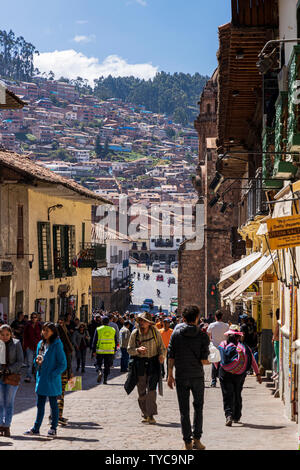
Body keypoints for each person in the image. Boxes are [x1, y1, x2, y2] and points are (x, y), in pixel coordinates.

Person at [167, 305, 210, 451]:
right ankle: (197, 439)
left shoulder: (176, 335)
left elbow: (170, 355)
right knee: (198, 408)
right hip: (197, 376)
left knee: (184, 411)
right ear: (197, 318)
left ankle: (187, 442)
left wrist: (169, 374)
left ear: (183, 319)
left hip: (181, 376)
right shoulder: (203, 336)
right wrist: (211, 360)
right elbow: (204, 361)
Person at [24, 322, 67, 437]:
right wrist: (36, 362)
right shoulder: (40, 344)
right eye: (43, 330)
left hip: (52, 380)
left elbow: (63, 364)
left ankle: (53, 428)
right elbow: (36, 361)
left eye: (47, 330)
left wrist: (53, 374)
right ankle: (36, 428)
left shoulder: (57, 344)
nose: (45, 332)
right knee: (40, 405)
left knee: (53, 405)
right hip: (42, 379)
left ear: (53, 332)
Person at [125, 312, 166, 425]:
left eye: (144, 321)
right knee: (141, 391)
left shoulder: (155, 332)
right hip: (140, 364)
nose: (142, 323)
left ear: (149, 323)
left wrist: (162, 355)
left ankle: (151, 414)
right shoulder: (135, 333)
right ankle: (145, 414)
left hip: (153, 363)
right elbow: (129, 349)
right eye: (140, 321)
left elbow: (162, 348)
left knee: (152, 390)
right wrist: (138, 350)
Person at [218, 325, 262, 427]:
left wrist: (217, 369)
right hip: (239, 374)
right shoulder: (244, 348)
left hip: (225, 372)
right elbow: (252, 361)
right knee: (237, 393)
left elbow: (217, 359)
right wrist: (258, 374)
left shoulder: (223, 344)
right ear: (239, 336)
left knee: (227, 394)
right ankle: (237, 416)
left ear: (228, 335)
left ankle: (228, 415)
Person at [0, 324, 24, 437]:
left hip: (12, 376)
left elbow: (20, 361)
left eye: (7, 334)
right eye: (2, 334)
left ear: (11, 334)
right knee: (0, 402)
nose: (4, 337)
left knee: (8, 402)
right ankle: (0, 424)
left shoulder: (16, 343)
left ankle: (7, 425)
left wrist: (9, 369)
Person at [55, 316, 74, 426]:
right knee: (60, 394)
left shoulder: (52, 343)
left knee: (55, 394)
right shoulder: (64, 345)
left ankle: (55, 415)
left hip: (55, 372)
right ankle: (59, 416)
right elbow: (68, 358)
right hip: (62, 371)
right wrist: (70, 371)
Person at [207, 311, 229, 387]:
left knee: (214, 363)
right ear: (222, 317)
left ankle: (213, 381)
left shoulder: (212, 325)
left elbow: (208, 334)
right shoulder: (226, 326)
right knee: (222, 363)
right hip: (223, 346)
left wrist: (210, 341)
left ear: (215, 317)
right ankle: (222, 379)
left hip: (214, 346)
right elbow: (228, 336)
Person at [92, 316, 116, 384]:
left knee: (97, 363)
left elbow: (94, 340)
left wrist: (93, 350)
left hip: (100, 350)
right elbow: (115, 340)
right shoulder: (112, 329)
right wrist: (115, 349)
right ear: (109, 322)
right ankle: (105, 380)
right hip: (110, 350)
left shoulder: (98, 329)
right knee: (107, 365)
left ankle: (99, 371)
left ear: (102, 322)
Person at [23, 312, 42, 383]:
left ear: (37, 318)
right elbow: (25, 336)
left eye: (35, 317)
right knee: (29, 363)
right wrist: (25, 346)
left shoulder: (40, 326)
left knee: (37, 363)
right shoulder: (28, 326)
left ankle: (37, 377)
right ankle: (28, 376)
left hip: (38, 347)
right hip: (29, 347)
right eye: (32, 317)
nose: (34, 319)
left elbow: (42, 336)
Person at [272, 309, 280, 379]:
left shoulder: (278, 322)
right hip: (277, 341)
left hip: (277, 341)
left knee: (277, 358)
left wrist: (273, 338)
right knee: (277, 358)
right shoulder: (279, 322)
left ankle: (277, 372)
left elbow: (276, 332)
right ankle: (276, 372)